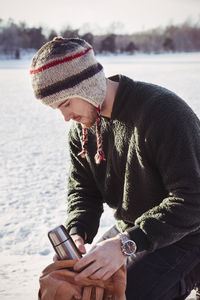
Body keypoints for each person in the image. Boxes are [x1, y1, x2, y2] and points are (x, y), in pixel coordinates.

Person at [30, 37, 200, 299]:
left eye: (66, 103)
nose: (65, 118)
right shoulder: (83, 129)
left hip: (187, 234)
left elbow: (192, 199)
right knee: (80, 289)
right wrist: (78, 232)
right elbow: (83, 190)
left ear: (89, 85)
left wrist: (124, 245)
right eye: (57, 108)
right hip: (133, 230)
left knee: (125, 294)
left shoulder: (163, 113)